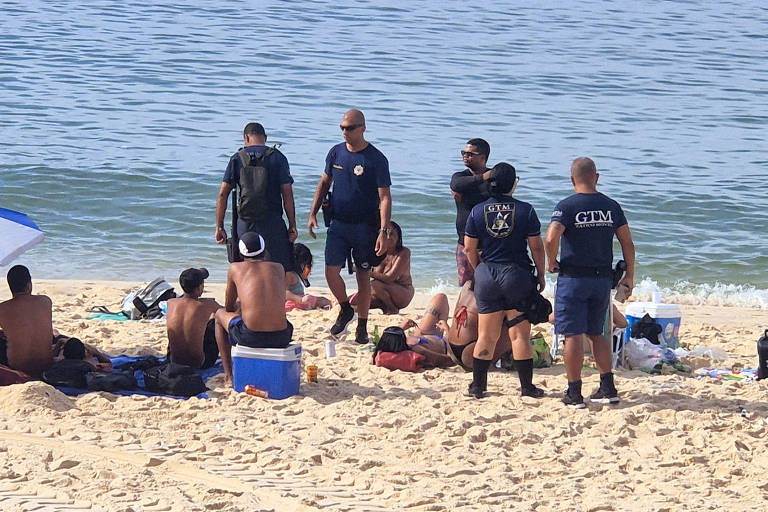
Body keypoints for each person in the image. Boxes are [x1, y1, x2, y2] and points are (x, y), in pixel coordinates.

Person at [545, 157, 635, 409]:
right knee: (598, 333)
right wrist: (629, 276)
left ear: (572, 179)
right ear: (596, 177)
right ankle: (608, 386)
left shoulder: (567, 206)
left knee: (572, 334)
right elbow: (627, 243)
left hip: (573, 278)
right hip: (601, 279)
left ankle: (574, 393)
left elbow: (551, 237)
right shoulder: (611, 206)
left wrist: (551, 262)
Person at [307, 109, 392, 344]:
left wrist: (384, 232)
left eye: (350, 128)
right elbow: (325, 182)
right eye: (342, 128)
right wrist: (312, 212)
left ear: (362, 128)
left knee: (363, 277)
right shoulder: (336, 153)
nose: (346, 132)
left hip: (365, 226)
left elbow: (385, 196)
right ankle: (345, 308)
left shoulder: (375, 159)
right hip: (339, 224)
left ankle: (362, 327)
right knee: (330, 271)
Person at [464, 163, 546, 399]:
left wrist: (479, 270)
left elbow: (470, 248)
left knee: (486, 335)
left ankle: (478, 386)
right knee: (519, 335)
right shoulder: (526, 210)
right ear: (514, 183)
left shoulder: (478, 211)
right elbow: (536, 247)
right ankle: (527, 388)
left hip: (488, 274)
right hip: (516, 275)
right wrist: (540, 274)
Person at [215, 122, 298, 272]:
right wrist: (292, 226)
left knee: (244, 268)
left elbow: (223, 194)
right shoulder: (278, 158)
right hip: (272, 221)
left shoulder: (237, 158)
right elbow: (287, 194)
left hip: (245, 222)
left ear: (246, 138)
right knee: (278, 268)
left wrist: (219, 226)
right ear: (265, 138)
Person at [214, 231, 293, 387]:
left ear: (242, 253)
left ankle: (229, 375)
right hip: (282, 336)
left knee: (218, 315)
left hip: (251, 337)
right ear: (264, 251)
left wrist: (240, 305)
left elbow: (229, 306)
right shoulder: (278, 267)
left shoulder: (235, 268)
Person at [450, 138, 492, 287]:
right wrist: (483, 178)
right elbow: (456, 184)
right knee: (467, 285)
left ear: (483, 157)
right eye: (464, 153)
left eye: (470, 154)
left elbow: (495, 198)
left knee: (487, 284)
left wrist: (466, 197)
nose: (465, 156)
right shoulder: (460, 176)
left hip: (488, 243)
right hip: (464, 242)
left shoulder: (494, 180)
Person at [0, 265, 55, 378]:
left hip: (17, 366)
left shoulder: (2, 308)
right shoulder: (45, 301)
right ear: (29, 285)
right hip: (46, 365)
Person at [352, 221, 414, 314]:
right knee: (352, 303)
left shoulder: (404, 252)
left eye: (392, 234)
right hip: (382, 292)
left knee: (374, 284)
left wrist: (364, 271)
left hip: (403, 293)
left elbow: (390, 278)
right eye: (386, 234)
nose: (389, 237)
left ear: (398, 237)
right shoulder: (377, 252)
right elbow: (367, 270)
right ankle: (383, 306)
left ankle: (392, 308)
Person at [165, 268, 222, 369]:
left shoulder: (171, 303)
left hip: (173, 360)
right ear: (199, 288)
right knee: (217, 322)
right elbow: (226, 312)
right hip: (200, 363)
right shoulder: (208, 304)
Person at [285, 243, 331, 311]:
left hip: (296, 301)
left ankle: (329, 303)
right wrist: (300, 299)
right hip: (293, 302)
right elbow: (284, 292)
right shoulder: (290, 274)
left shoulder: (294, 273)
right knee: (319, 300)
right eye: (305, 264)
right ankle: (332, 303)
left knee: (318, 300)